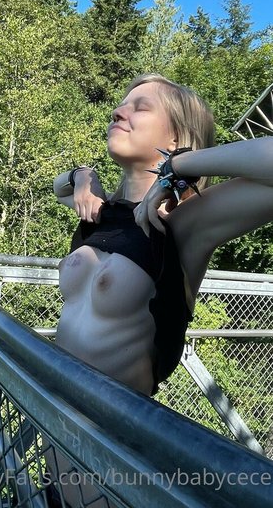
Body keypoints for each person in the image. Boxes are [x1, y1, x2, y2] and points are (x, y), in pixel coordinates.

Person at [53, 73, 273, 398]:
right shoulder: (100, 210)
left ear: (174, 138)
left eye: (140, 108)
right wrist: (82, 175)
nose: (117, 112)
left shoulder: (183, 224)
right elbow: (60, 189)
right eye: (121, 105)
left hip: (110, 426)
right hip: (47, 412)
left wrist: (178, 165)